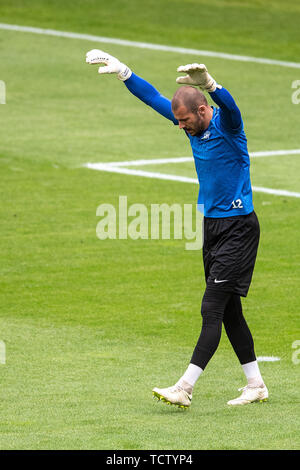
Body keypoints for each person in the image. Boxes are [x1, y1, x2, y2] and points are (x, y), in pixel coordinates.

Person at [86, 49, 268, 408]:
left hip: (239, 229)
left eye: (185, 120)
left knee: (211, 308)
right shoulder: (191, 127)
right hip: (212, 227)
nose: (180, 126)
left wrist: (213, 86)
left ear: (202, 110)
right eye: (178, 121)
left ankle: (184, 386)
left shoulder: (227, 128)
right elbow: (154, 98)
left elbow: (232, 110)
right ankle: (256, 384)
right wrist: (125, 73)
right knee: (230, 311)